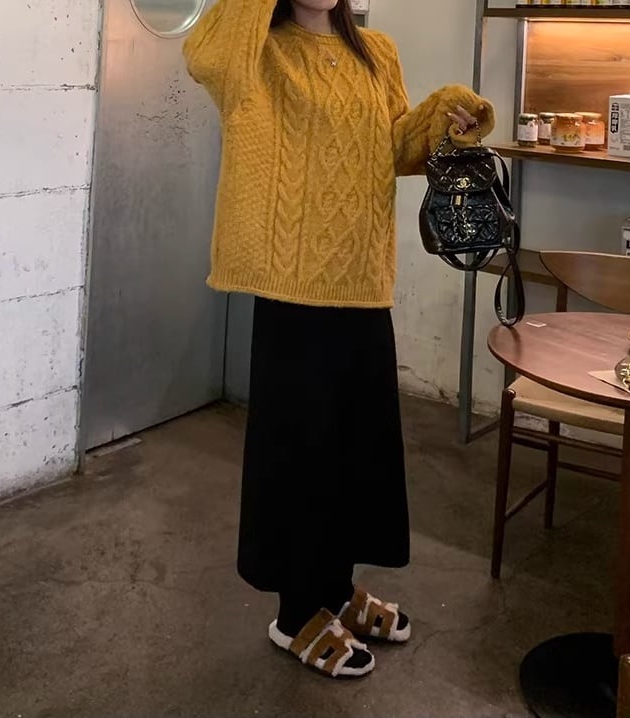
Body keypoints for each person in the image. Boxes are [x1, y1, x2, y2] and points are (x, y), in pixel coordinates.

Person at [183, 0, 494, 679]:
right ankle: (295, 614)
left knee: (354, 451)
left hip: (361, 278)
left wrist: (444, 116)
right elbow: (203, 56)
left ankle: (335, 591)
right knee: (299, 454)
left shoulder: (376, 52)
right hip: (291, 287)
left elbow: (395, 148)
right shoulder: (256, 50)